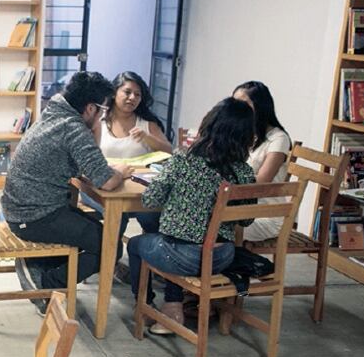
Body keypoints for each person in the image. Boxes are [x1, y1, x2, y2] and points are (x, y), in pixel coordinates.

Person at [1, 71, 135, 304]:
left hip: (22, 209)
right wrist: (121, 172)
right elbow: (107, 181)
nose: (104, 117)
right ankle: (46, 284)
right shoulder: (73, 128)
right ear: (91, 109)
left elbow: (86, 166)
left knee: (101, 232)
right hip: (35, 216)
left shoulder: (54, 112)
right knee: (110, 247)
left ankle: (39, 265)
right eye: (103, 111)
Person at [127, 97, 257, 334]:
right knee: (167, 237)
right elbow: (246, 220)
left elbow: (150, 200)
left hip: (183, 257)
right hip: (221, 256)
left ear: (209, 125)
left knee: (138, 244)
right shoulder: (244, 172)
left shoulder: (185, 160)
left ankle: (146, 307)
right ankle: (173, 306)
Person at [88, 71, 170, 258]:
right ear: (114, 92)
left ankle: (150, 262)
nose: (132, 98)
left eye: (138, 94)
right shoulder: (98, 120)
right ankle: (110, 260)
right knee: (119, 215)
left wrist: (148, 138)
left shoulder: (146, 124)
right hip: (103, 187)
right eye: (127, 92)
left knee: (152, 216)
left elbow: (168, 152)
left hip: (137, 190)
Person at [232, 81, 292, 242]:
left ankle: (220, 264)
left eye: (243, 104)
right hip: (237, 208)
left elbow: (261, 182)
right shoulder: (243, 133)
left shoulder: (279, 139)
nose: (236, 109)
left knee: (210, 224)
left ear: (260, 107)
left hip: (264, 215)